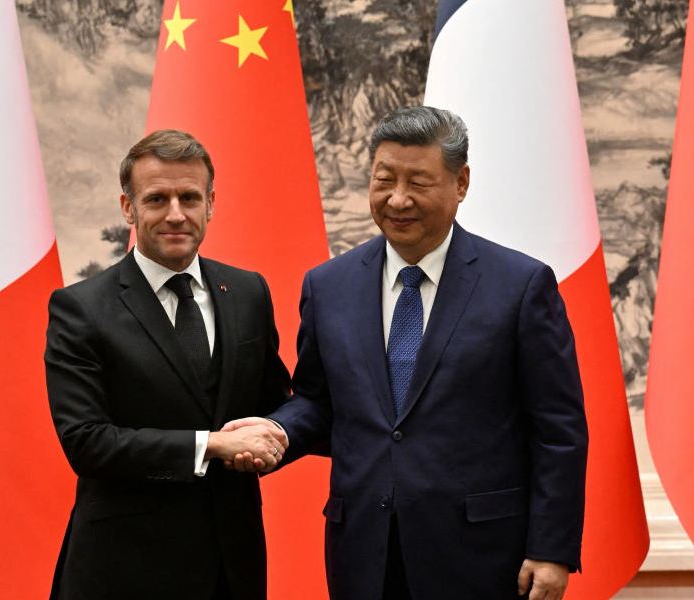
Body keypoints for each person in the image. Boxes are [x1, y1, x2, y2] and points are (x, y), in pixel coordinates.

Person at [225, 106, 588, 599]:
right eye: (384, 180)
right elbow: (319, 401)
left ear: (461, 183)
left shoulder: (520, 286)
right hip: (365, 552)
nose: (398, 199)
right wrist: (277, 431)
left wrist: (551, 548)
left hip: (482, 556)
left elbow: (558, 429)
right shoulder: (328, 286)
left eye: (418, 182)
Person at [45, 129, 290, 600]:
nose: (176, 214)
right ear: (128, 208)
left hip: (232, 568)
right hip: (124, 571)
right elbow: (86, 442)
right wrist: (212, 445)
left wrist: (277, 433)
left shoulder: (249, 292)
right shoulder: (81, 308)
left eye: (189, 197)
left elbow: (274, 403)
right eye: (157, 199)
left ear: (210, 204)